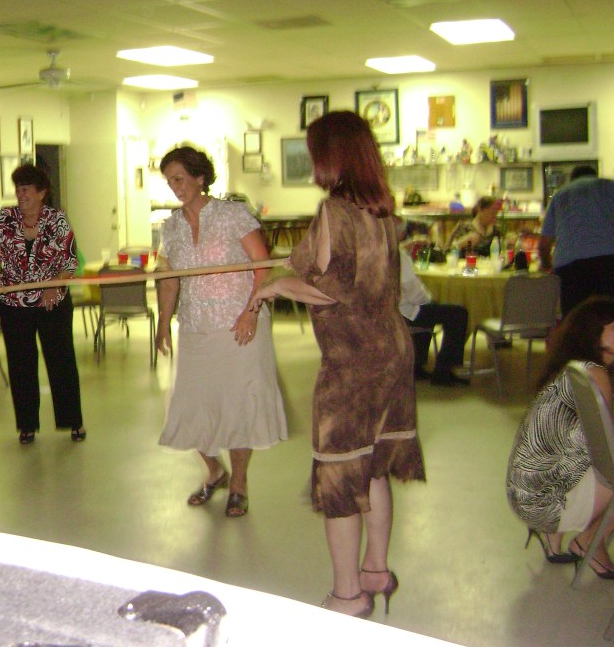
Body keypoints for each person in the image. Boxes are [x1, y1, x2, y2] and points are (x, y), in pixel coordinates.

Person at [248, 111, 425, 618]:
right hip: (392, 349)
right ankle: (375, 571)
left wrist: (276, 287)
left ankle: (348, 595)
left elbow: (329, 290)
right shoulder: (382, 210)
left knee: (342, 473)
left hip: (353, 361)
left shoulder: (334, 210)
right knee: (373, 465)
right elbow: (331, 264)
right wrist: (284, 269)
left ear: (331, 156)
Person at [154, 145, 288, 518]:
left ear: (200, 177)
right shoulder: (171, 226)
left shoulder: (232, 215)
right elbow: (169, 280)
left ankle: (239, 484)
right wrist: (163, 322)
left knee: (238, 405)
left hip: (240, 324)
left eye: (180, 178)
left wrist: (251, 311)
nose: (175, 187)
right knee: (192, 406)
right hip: (196, 327)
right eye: (170, 181)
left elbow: (263, 267)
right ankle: (215, 471)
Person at [0, 163, 84, 445]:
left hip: (52, 302)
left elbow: (70, 262)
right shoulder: (6, 217)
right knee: (21, 365)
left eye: (26, 189)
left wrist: (54, 285)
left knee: (61, 361)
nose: (21, 195)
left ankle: (73, 421)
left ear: (42, 193)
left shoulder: (57, 219)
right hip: (13, 304)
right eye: (18, 189)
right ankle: (27, 425)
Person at [507, 296, 614, 576]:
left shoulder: (571, 367)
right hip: (547, 502)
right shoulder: (595, 373)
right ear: (596, 331)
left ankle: (553, 539)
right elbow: (607, 446)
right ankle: (590, 542)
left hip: (526, 493)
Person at [397, 224, 470, 387]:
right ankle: (444, 370)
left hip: (398, 309)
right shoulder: (399, 257)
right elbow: (414, 293)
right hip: (407, 311)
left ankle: (418, 364)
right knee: (458, 313)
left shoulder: (387, 253)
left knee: (433, 310)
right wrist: (430, 298)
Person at [538, 165, 614, 316]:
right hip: (608, 261)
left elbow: (544, 244)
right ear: (595, 175)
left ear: (572, 180)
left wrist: (546, 264)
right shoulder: (609, 186)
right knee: (608, 316)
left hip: (570, 266)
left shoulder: (560, 195)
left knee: (574, 318)